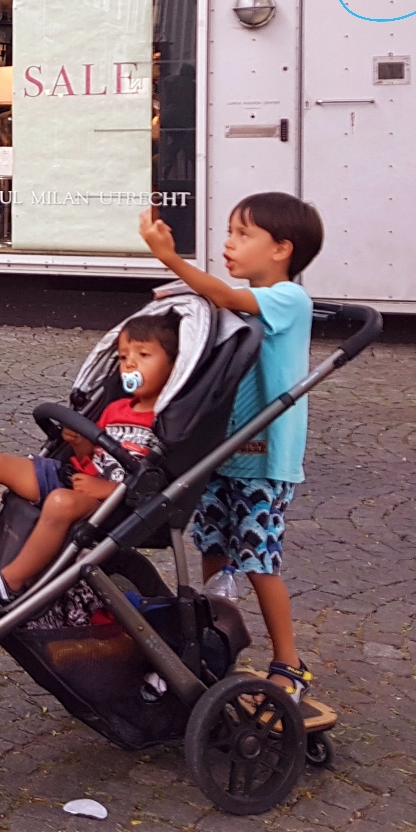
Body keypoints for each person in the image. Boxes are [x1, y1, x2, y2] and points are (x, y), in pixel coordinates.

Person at [138, 192, 324, 702]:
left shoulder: (288, 298)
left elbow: (228, 300)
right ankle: (214, 644)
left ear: (282, 249)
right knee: (214, 550)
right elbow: (217, 304)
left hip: (266, 460)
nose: (228, 243)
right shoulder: (240, 296)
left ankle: (289, 663)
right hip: (224, 452)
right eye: (228, 232)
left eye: (243, 235)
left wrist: (171, 258)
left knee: (259, 558)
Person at [0, 312, 178, 608]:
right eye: (122, 357)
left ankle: (10, 581)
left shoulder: (167, 422)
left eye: (143, 355)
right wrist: (81, 445)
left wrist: (105, 490)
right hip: (78, 477)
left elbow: (155, 482)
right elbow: (95, 458)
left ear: (173, 365)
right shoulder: (116, 407)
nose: (130, 364)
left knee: (59, 502)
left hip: (113, 501)